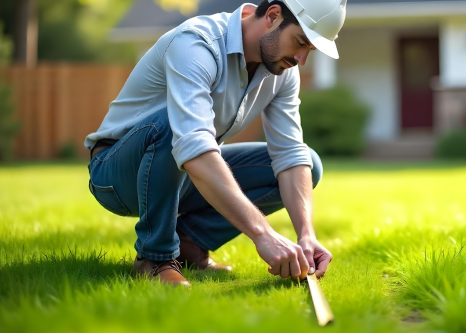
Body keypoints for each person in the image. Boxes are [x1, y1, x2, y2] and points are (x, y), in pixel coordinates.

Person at [84, 0, 347, 287]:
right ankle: (154, 258)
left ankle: (189, 244)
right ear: (272, 15)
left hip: (182, 174)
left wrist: (306, 235)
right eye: (300, 42)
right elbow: (193, 145)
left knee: (309, 164)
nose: (301, 58)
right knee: (178, 127)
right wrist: (264, 234)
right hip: (118, 175)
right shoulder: (197, 43)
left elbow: (290, 153)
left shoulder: (281, 72)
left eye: (309, 49)